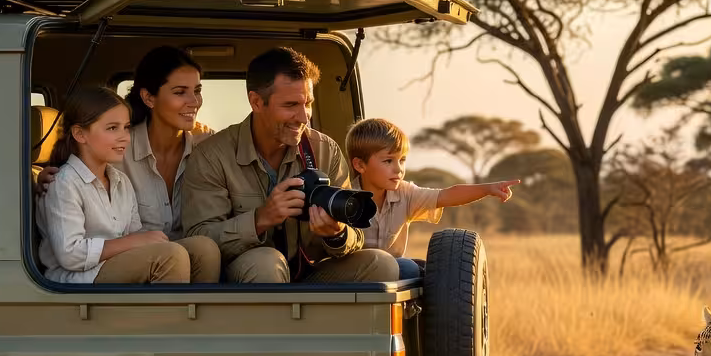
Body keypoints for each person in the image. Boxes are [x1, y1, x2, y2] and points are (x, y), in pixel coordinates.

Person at [180, 47, 399, 284]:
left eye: (308, 103)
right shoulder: (212, 156)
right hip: (245, 276)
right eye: (291, 105)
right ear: (256, 102)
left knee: (382, 264)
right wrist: (260, 219)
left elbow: (356, 231)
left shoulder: (325, 150)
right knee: (266, 263)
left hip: (310, 270)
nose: (304, 117)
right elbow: (200, 241)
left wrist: (337, 233)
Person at [36, 86, 221, 284]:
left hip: (118, 263)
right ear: (80, 134)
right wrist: (133, 242)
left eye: (126, 127)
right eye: (112, 128)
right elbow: (70, 254)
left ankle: (195, 306)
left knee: (205, 249)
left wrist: (143, 239)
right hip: (79, 278)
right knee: (170, 256)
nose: (125, 137)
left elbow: (134, 233)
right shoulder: (63, 183)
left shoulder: (121, 180)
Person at [37, 46, 215, 242]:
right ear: (148, 98)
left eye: (197, 91)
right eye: (180, 92)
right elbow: (73, 187)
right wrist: (43, 181)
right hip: (136, 257)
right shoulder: (114, 149)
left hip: (193, 254)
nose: (194, 101)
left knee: (205, 248)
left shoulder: (210, 147)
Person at [344, 117, 520, 279]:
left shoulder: (406, 193)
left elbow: (447, 195)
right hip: (357, 274)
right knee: (408, 268)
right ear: (360, 165)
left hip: (395, 272)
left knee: (426, 271)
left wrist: (487, 189)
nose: (398, 169)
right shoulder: (343, 198)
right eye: (388, 161)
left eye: (402, 160)